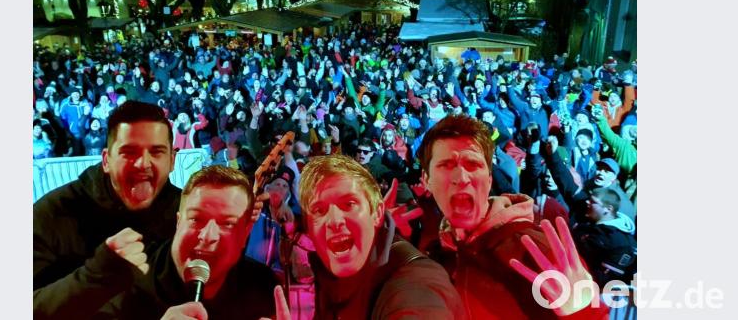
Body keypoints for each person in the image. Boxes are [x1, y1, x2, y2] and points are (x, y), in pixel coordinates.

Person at [418, 115, 607, 318]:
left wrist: (583, 313)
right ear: (426, 180)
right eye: (446, 165)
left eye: (472, 165)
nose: (462, 178)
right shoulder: (434, 250)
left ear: (489, 179)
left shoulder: (536, 247)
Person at [34, 100, 181, 319]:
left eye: (157, 152)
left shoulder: (188, 211)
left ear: (172, 160)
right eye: (129, 152)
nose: (143, 163)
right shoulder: (54, 212)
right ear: (106, 160)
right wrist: (97, 277)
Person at [295, 154, 466, 319]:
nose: (334, 221)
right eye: (319, 210)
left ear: (377, 214)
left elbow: (420, 304)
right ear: (308, 228)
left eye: (348, 204)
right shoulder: (329, 278)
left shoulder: (415, 282)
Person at [99, 165, 277, 319]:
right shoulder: (125, 281)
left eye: (227, 223)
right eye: (196, 219)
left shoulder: (263, 285)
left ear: (244, 233)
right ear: (178, 222)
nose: (208, 236)